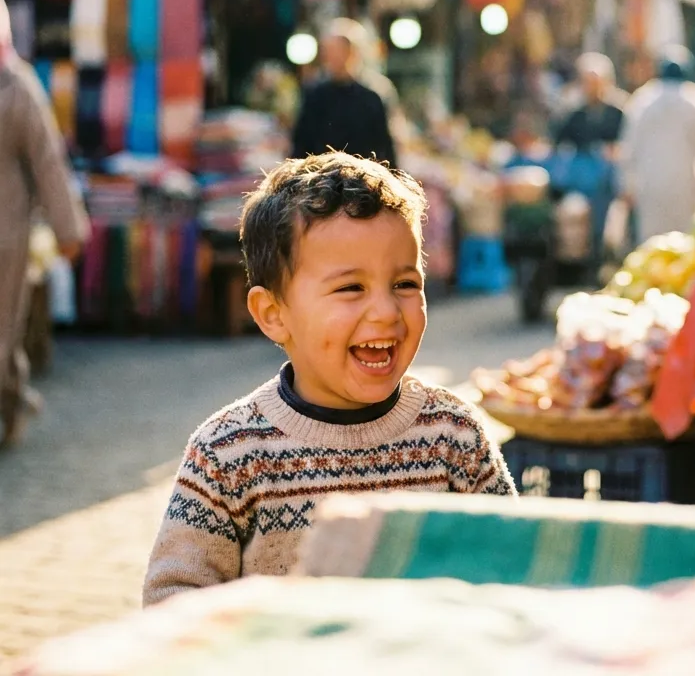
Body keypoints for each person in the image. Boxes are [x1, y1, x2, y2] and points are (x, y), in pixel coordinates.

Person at [143, 152, 515, 605]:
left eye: (404, 284)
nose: (386, 313)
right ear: (273, 315)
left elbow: (511, 570)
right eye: (350, 288)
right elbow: (173, 601)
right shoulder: (228, 453)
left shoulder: (453, 435)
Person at [0, 0, 88, 447]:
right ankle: (14, 397)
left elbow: (47, 161)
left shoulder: (17, 86)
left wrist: (67, 230)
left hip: (6, 234)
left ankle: (11, 403)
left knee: (3, 329)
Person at [619, 47, 695, 244]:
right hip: (686, 182)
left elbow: (628, 146)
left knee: (652, 243)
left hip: (650, 183)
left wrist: (625, 184)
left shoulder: (643, 99)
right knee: (687, 242)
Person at [292, 19, 397, 165]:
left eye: (336, 51)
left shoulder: (372, 97)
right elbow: (301, 144)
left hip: (362, 180)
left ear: (351, 52)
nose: (330, 57)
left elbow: (385, 146)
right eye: (327, 51)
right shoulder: (314, 95)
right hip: (321, 180)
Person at [552, 52, 627, 154]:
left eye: (597, 83)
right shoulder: (574, 114)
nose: (593, 89)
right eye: (588, 82)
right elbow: (560, 142)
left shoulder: (620, 111)